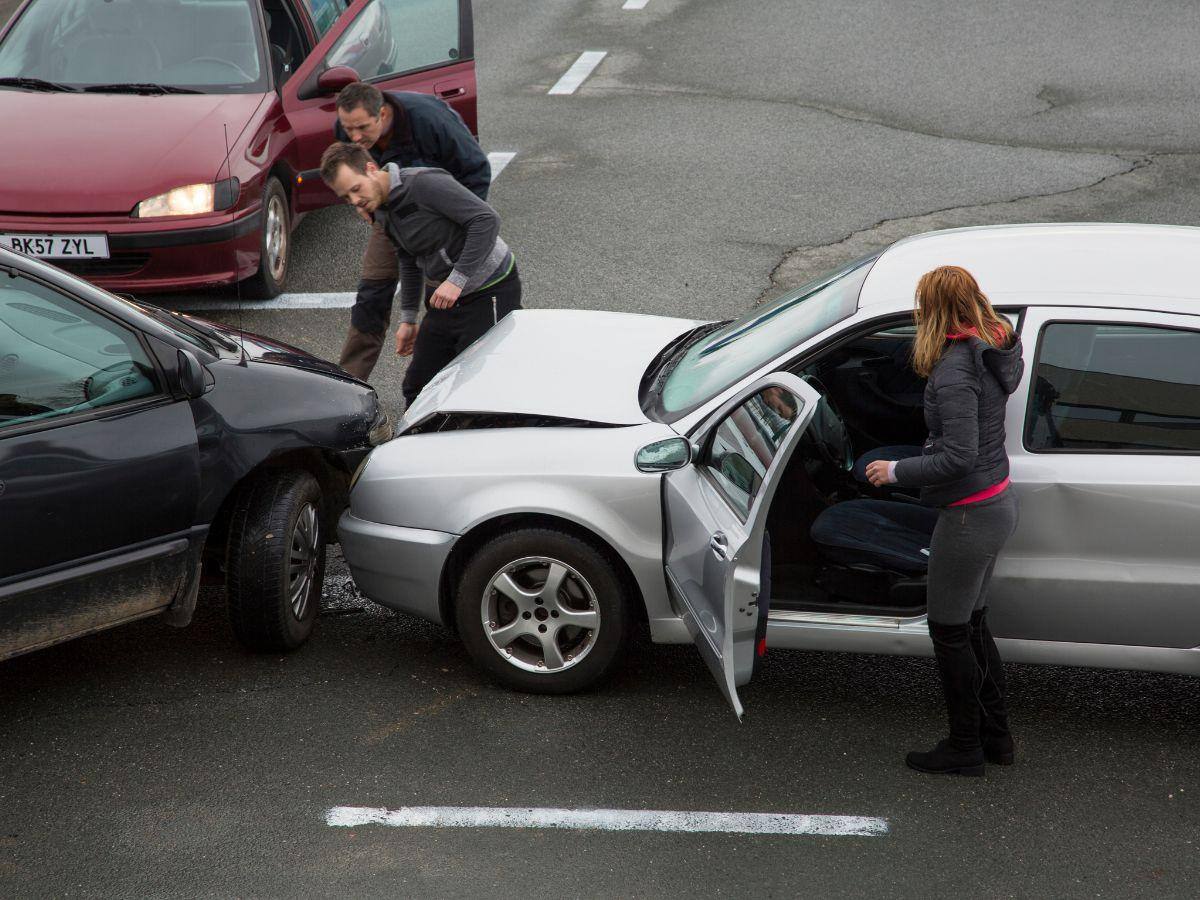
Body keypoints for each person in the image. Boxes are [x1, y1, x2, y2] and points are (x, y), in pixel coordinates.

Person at [865, 265, 1024, 777]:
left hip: (968, 516)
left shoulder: (957, 370)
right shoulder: (993, 347)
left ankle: (964, 747)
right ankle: (996, 738)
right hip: (993, 503)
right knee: (974, 626)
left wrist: (896, 472)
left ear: (933, 309)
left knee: (949, 630)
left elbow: (957, 455)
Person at [319, 142, 521, 407]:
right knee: (417, 384)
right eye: (346, 197)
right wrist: (409, 319)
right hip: (445, 297)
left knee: (474, 383)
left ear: (370, 169)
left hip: (489, 288)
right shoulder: (380, 207)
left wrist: (456, 279)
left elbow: (486, 219)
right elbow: (408, 257)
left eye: (355, 189)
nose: (355, 201)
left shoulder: (424, 184)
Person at [332, 82, 492, 380]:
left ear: (381, 113)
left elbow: (477, 171)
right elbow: (348, 173)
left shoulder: (430, 121)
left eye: (362, 128)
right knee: (371, 296)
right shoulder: (348, 130)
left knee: (446, 302)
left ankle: (457, 383)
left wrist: (457, 230)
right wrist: (366, 207)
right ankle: (348, 385)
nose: (354, 137)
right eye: (347, 128)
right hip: (390, 217)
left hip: (442, 216)